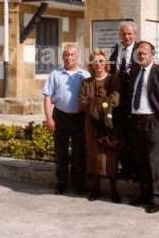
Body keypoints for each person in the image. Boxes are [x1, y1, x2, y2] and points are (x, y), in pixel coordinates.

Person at [128, 41, 159, 213]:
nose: (141, 56)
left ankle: (156, 197)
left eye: (145, 53)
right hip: (136, 120)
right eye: (139, 53)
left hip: (152, 120)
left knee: (154, 161)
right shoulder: (134, 72)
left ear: (152, 55)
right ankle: (144, 193)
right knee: (139, 160)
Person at [43, 44, 90, 195]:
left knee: (79, 153)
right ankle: (61, 183)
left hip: (79, 118)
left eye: (72, 55)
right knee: (61, 152)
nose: (69, 57)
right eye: (66, 55)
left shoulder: (85, 75)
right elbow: (47, 97)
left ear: (77, 57)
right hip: (60, 116)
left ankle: (79, 184)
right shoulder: (55, 74)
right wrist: (49, 118)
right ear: (62, 57)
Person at [80, 50, 121, 203]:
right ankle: (95, 189)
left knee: (110, 156)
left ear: (106, 64)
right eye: (95, 61)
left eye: (101, 61)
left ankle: (113, 190)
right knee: (94, 156)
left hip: (108, 124)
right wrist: (103, 103)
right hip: (92, 124)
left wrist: (96, 103)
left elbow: (115, 101)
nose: (98, 64)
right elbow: (83, 103)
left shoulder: (113, 80)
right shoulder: (86, 82)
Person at [110, 20, 138, 178]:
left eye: (129, 34)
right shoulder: (116, 50)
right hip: (118, 100)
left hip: (134, 99)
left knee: (133, 136)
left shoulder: (140, 49)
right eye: (123, 34)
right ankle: (124, 168)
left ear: (134, 35)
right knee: (119, 134)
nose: (126, 37)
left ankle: (133, 169)